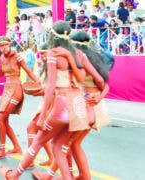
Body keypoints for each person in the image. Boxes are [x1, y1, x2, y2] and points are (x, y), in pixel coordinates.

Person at [0, 21, 86, 179]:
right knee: (64, 145)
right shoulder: (76, 54)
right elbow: (83, 78)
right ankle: (70, 176)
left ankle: (15, 175)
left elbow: (51, 86)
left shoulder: (54, 54)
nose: (42, 56)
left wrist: (44, 115)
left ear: (52, 35)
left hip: (61, 104)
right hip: (77, 104)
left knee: (40, 139)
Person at [32, 30, 110, 180]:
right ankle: (75, 175)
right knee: (69, 143)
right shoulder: (90, 57)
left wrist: (98, 96)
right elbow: (103, 83)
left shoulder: (79, 57)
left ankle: (71, 176)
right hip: (87, 103)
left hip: (86, 103)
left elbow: (101, 82)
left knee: (65, 143)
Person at [0, 36, 39, 160]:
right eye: (1, 46)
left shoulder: (17, 56)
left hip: (16, 88)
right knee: (4, 120)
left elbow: (28, 71)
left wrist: (40, 83)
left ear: (10, 44)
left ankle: (2, 149)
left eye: (6, 45)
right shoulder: (1, 57)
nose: (3, 48)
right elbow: (1, 73)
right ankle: (17, 147)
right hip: (7, 89)